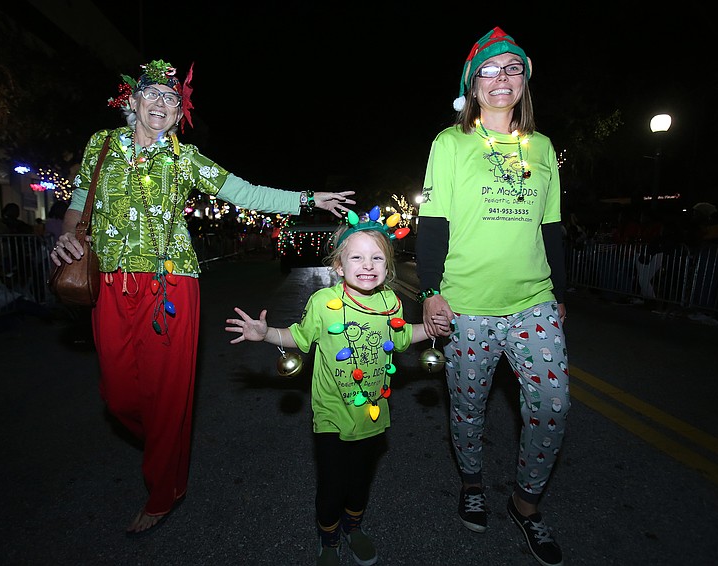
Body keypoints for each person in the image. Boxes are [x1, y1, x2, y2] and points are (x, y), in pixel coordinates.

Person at [49, 59, 355, 537]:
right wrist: (69, 237)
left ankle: (164, 488)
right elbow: (77, 205)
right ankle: (164, 445)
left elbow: (248, 192)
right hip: (109, 283)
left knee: (167, 394)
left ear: (178, 114)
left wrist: (308, 198)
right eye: (153, 94)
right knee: (119, 395)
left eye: (172, 99)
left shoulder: (185, 159)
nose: (162, 104)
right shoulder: (101, 145)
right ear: (132, 101)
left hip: (171, 286)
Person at [415, 27, 570, 566]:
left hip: (534, 301)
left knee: (552, 407)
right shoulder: (450, 143)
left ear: (524, 81)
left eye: (512, 69)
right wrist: (431, 291)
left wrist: (561, 291)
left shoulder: (544, 147)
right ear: (472, 84)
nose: (501, 79)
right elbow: (431, 223)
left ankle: (526, 506)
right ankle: (474, 482)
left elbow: (552, 228)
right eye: (489, 70)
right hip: (466, 307)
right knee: (468, 407)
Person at [225, 210, 449, 566]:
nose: (367, 264)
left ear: (388, 267)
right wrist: (265, 334)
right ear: (340, 266)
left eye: (377, 257)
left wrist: (432, 329)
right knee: (331, 486)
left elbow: (404, 337)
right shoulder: (323, 304)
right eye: (356, 256)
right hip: (331, 412)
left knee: (360, 481)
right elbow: (297, 338)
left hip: (373, 412)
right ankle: (328, 540)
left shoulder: (390, 302)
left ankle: (354, 528)